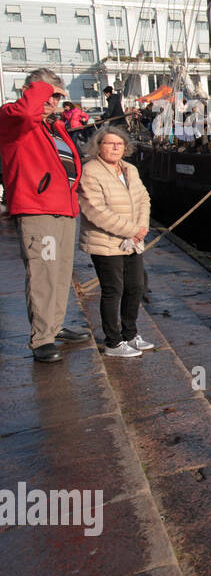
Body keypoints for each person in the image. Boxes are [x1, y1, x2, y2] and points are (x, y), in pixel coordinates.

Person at [0, 69, 91, 362]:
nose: (54, 101)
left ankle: (55, 325)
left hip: (63, 208)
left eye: (57, 95)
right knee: (44, 271)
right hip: (39, 210)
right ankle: (42, 338)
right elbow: (27, 113)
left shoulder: (53, 127)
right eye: (50, 94)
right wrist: (41, 89)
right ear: (32, 89)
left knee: (61, 271)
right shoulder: (13, 118)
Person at [77, 126, 152, 358]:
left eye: (119, 143)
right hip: (105, 241)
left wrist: (142, 227)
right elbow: (96, 210)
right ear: (98, 146)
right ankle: (113, 342)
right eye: (109, 143)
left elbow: (143, 199)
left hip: (133, 240)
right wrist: (132, 230)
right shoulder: (90, 171)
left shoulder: (130, 169)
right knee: (113, 290)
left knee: (136, 286)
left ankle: (130, 333)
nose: (115, 147)